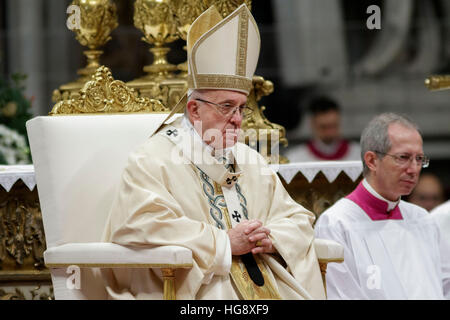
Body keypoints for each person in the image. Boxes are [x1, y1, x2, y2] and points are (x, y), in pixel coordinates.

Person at [101, 4, 325, 300]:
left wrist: (271, 239)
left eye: (242, 108)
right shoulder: (152, 159)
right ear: (194, 109)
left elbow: (297, 218)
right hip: (202, 291)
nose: (237, 118)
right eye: (226, 107)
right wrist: (223, 244)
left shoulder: (249, 159)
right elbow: (140, 227)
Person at [315, 112, 450, 299]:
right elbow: (341, 294)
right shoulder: (337, 223)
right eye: (403, 157)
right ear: (372, 161)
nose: (413, 169)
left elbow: (445, 285)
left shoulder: (423, 220)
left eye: (419, 159)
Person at [286, 96, 360, 162]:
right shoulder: (295, 158)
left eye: (333, 126)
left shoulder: (358, 155)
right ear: (312, 124)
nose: (330, 132)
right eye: (324, 127)